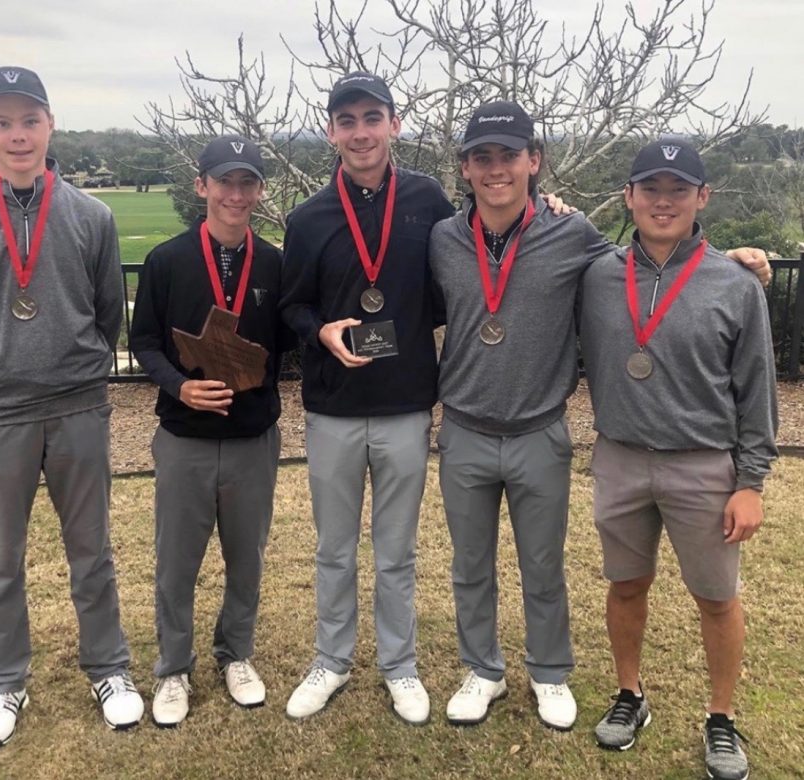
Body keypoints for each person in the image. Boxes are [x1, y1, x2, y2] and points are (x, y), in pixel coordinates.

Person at [429, 102, 772, 731]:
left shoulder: (574, 235)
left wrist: (738, 259)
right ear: (465, 168)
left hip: (541, 428)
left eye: (510, 155)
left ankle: (550, 672)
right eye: (483, 157)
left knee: (544, 564)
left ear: (535, 162)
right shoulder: (445, 239)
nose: (496, 169)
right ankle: (483, 670)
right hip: (466, 428)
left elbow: (671, 258)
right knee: (470, 565)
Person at [0, 66, 143, 751]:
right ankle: (4, 682)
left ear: (50, 125)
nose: (16, 134)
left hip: (77, 401)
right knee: (0, 557)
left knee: (92, 550)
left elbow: (108, 310)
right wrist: (2, 361)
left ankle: (108, 669)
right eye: (2, 121)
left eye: (29, 120)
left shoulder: (92, 215)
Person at [582, 137, 777, 780]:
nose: (663, 202)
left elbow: (757, 390)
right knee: (626, 585)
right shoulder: (597, 273)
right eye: (651, 189)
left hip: (704, 466)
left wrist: (750, 482)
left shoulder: (735, 282)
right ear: (629, 196)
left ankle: (720, 718)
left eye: (678, 190)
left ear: (703, 197)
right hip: (621, 457)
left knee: (717, 597)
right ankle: (630, 696)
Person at [279, 72, 455, 725]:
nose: (360, 131)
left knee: (396, 549)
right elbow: (292, 304)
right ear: (332, 131)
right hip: (333, 406)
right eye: (347, 120)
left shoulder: (429, 200)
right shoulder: (308, 217)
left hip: (408, 400)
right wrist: (316, 329)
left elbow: (466, 267)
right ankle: (330, 660)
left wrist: (550, 207)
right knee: (332, 548)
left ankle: (399, 666)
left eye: (371, 117)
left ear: (394, 123)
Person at [130, 136, 294, 726]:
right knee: (177, 560)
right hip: (184, 438)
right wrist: (180, 385)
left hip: (254, 437)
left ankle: (236, 654)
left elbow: (291, 338)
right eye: (224, 181)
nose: (235, 193)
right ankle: (173, 667)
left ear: (259, 191)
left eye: (247, 182)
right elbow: (143, 343)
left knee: (245, 557)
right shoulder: (168, 260)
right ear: (201, 187)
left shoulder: (274, 263)